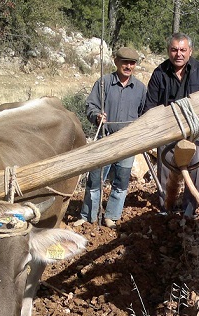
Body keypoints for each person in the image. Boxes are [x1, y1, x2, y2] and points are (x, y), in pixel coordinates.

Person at [143, 32, 199, 218]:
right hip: (168, 128)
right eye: (174, 50)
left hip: (196, 127)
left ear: (190, 51)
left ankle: (189, 210)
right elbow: (150, 106)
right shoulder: (159, 73)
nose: (179, 54)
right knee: (165, 168)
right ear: (169, 51)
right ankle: (166, 208)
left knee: (197, 165)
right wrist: (152, 134)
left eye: (183, 50)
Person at [74, 47, 147, 228]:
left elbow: (144, 113)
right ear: (116, 62)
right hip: (105, 140)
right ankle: (87, 216)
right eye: (124, 62)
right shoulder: (103, 83)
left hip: (127, 143)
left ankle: (111, 216)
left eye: (132, 63)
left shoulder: (140, 88)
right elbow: (90, 106)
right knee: (95, 180)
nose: (128, 66)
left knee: (121, 182)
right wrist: (97, 115)